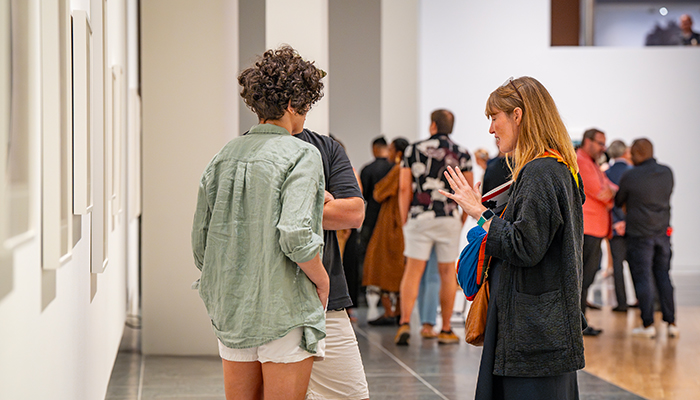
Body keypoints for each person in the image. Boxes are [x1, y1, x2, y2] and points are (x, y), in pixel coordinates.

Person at [191, 45, 329, 400]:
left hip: (233, 309)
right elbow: (296, 234)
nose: (305, 117)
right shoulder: (302, 153)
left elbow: (200, 243)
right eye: (305, 107)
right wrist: (322, 277)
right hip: (284, 308)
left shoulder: (225, 154)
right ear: (290, 106)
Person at [441, 76, 585, 399]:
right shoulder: (555, 168)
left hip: (533, 335)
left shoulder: (540, 172)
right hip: (539, 330)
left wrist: (479, 214)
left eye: (495, 118)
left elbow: (524, 246)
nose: (491, 129)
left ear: (518, 115)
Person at [295, 136, 369, 398]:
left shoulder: (327, 148)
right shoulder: (243, 151)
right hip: (275, 301)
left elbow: (353, 213)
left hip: (327, 302)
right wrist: (321, 202)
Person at [395, 109, 473, 345]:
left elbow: (404, 189)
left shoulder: (412, 149)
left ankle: (405, 323)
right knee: (448, 273)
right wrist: (459, 220)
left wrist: (404, 218)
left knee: (413, 271)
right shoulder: (462, 153)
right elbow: (467, 192)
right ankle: (446, 329)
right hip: (448, 218)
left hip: (419, 216)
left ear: (432, 125)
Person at [615, 138, 678, 339]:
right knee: (663, 277)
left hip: (639, 236)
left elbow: (618, 201)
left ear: (635, 153)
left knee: (642, 279)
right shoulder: (667, 172)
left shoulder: (630, 175)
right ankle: (671, 323)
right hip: (662, 235)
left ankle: (648, 324)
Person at [363, 137, 409, 326]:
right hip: (404, 223)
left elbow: (378, 192)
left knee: (382, 267)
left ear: (398, 153)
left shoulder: (398, 170)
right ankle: (397, 311)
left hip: (391, 224)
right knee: (399, 269)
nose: (387, 153)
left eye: (391, 150)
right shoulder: (409, 168)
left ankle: (391, 312)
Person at [576, 128, 617, 336]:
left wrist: (611, 193)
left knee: (587, 277)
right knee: (582, 278)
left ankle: (581, 321)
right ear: (587, 141)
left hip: (595, 229)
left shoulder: (592, 163)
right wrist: (610, 196)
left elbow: (612, 187)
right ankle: (579, 324)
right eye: (600, 143)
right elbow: (602, 192)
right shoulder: (581, 161)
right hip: (588, 229)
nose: (603, 148)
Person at [605, 140, 634, 312]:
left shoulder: (606, 173)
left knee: (617, 266)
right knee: (636, 265)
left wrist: (617, 221)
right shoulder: (632, 173)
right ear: (625, 152)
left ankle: (621, 303)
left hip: (615, 228)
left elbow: (608, 200)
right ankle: (641, 300)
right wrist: (627, 221)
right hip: (631, 227)